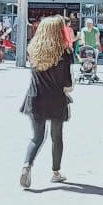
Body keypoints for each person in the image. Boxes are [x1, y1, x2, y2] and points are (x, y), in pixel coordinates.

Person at [18, 15, 74, 189]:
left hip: (35, 97)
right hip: (56, 99)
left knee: (36, 137)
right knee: (56, 137)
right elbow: (67, 84)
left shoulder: (33, 50)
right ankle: (56, 172)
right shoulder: (64, 53)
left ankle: (27, 165)